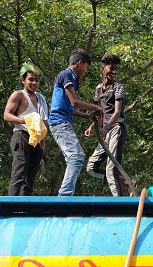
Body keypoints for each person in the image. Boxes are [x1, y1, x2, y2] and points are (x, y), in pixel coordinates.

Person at [49, 48, 103, 196]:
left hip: (63, 121)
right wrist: (95, 107)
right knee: (76, 157)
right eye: (86, 67)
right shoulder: (66, 74)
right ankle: (64, 197)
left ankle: (65, 195)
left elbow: (70, 108)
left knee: (75, 157)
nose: (86, 71)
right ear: (80, 63)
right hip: (59, 122)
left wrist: (88, 117)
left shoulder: (72, 80)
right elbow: (74, 101)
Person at [84, 54, 128, 196]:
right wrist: (92, 126)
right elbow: (99, 112)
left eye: (116, 69)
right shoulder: (98, 89)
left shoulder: (118, 87)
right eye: (111, 68)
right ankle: (125, 180)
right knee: (91, 167)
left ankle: (120, 204)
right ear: (103, 68)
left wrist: (106, 127)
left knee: (111, 169)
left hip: (115, 128)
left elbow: (117, 112)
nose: (114, 72)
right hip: (105, 131)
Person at [3, 63, 49, 196]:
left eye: (37, 80)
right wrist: (25, 120)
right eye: (31, 79)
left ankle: (23, 209)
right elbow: (7, 115)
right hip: (21, 136)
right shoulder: (19, 95)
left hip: (36, 140)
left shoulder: (41, 99)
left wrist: (42, 145)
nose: (34, 82)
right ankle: (10, 207)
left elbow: (43, 123)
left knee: (31, 177)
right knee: (19, 173)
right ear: (23, 80)